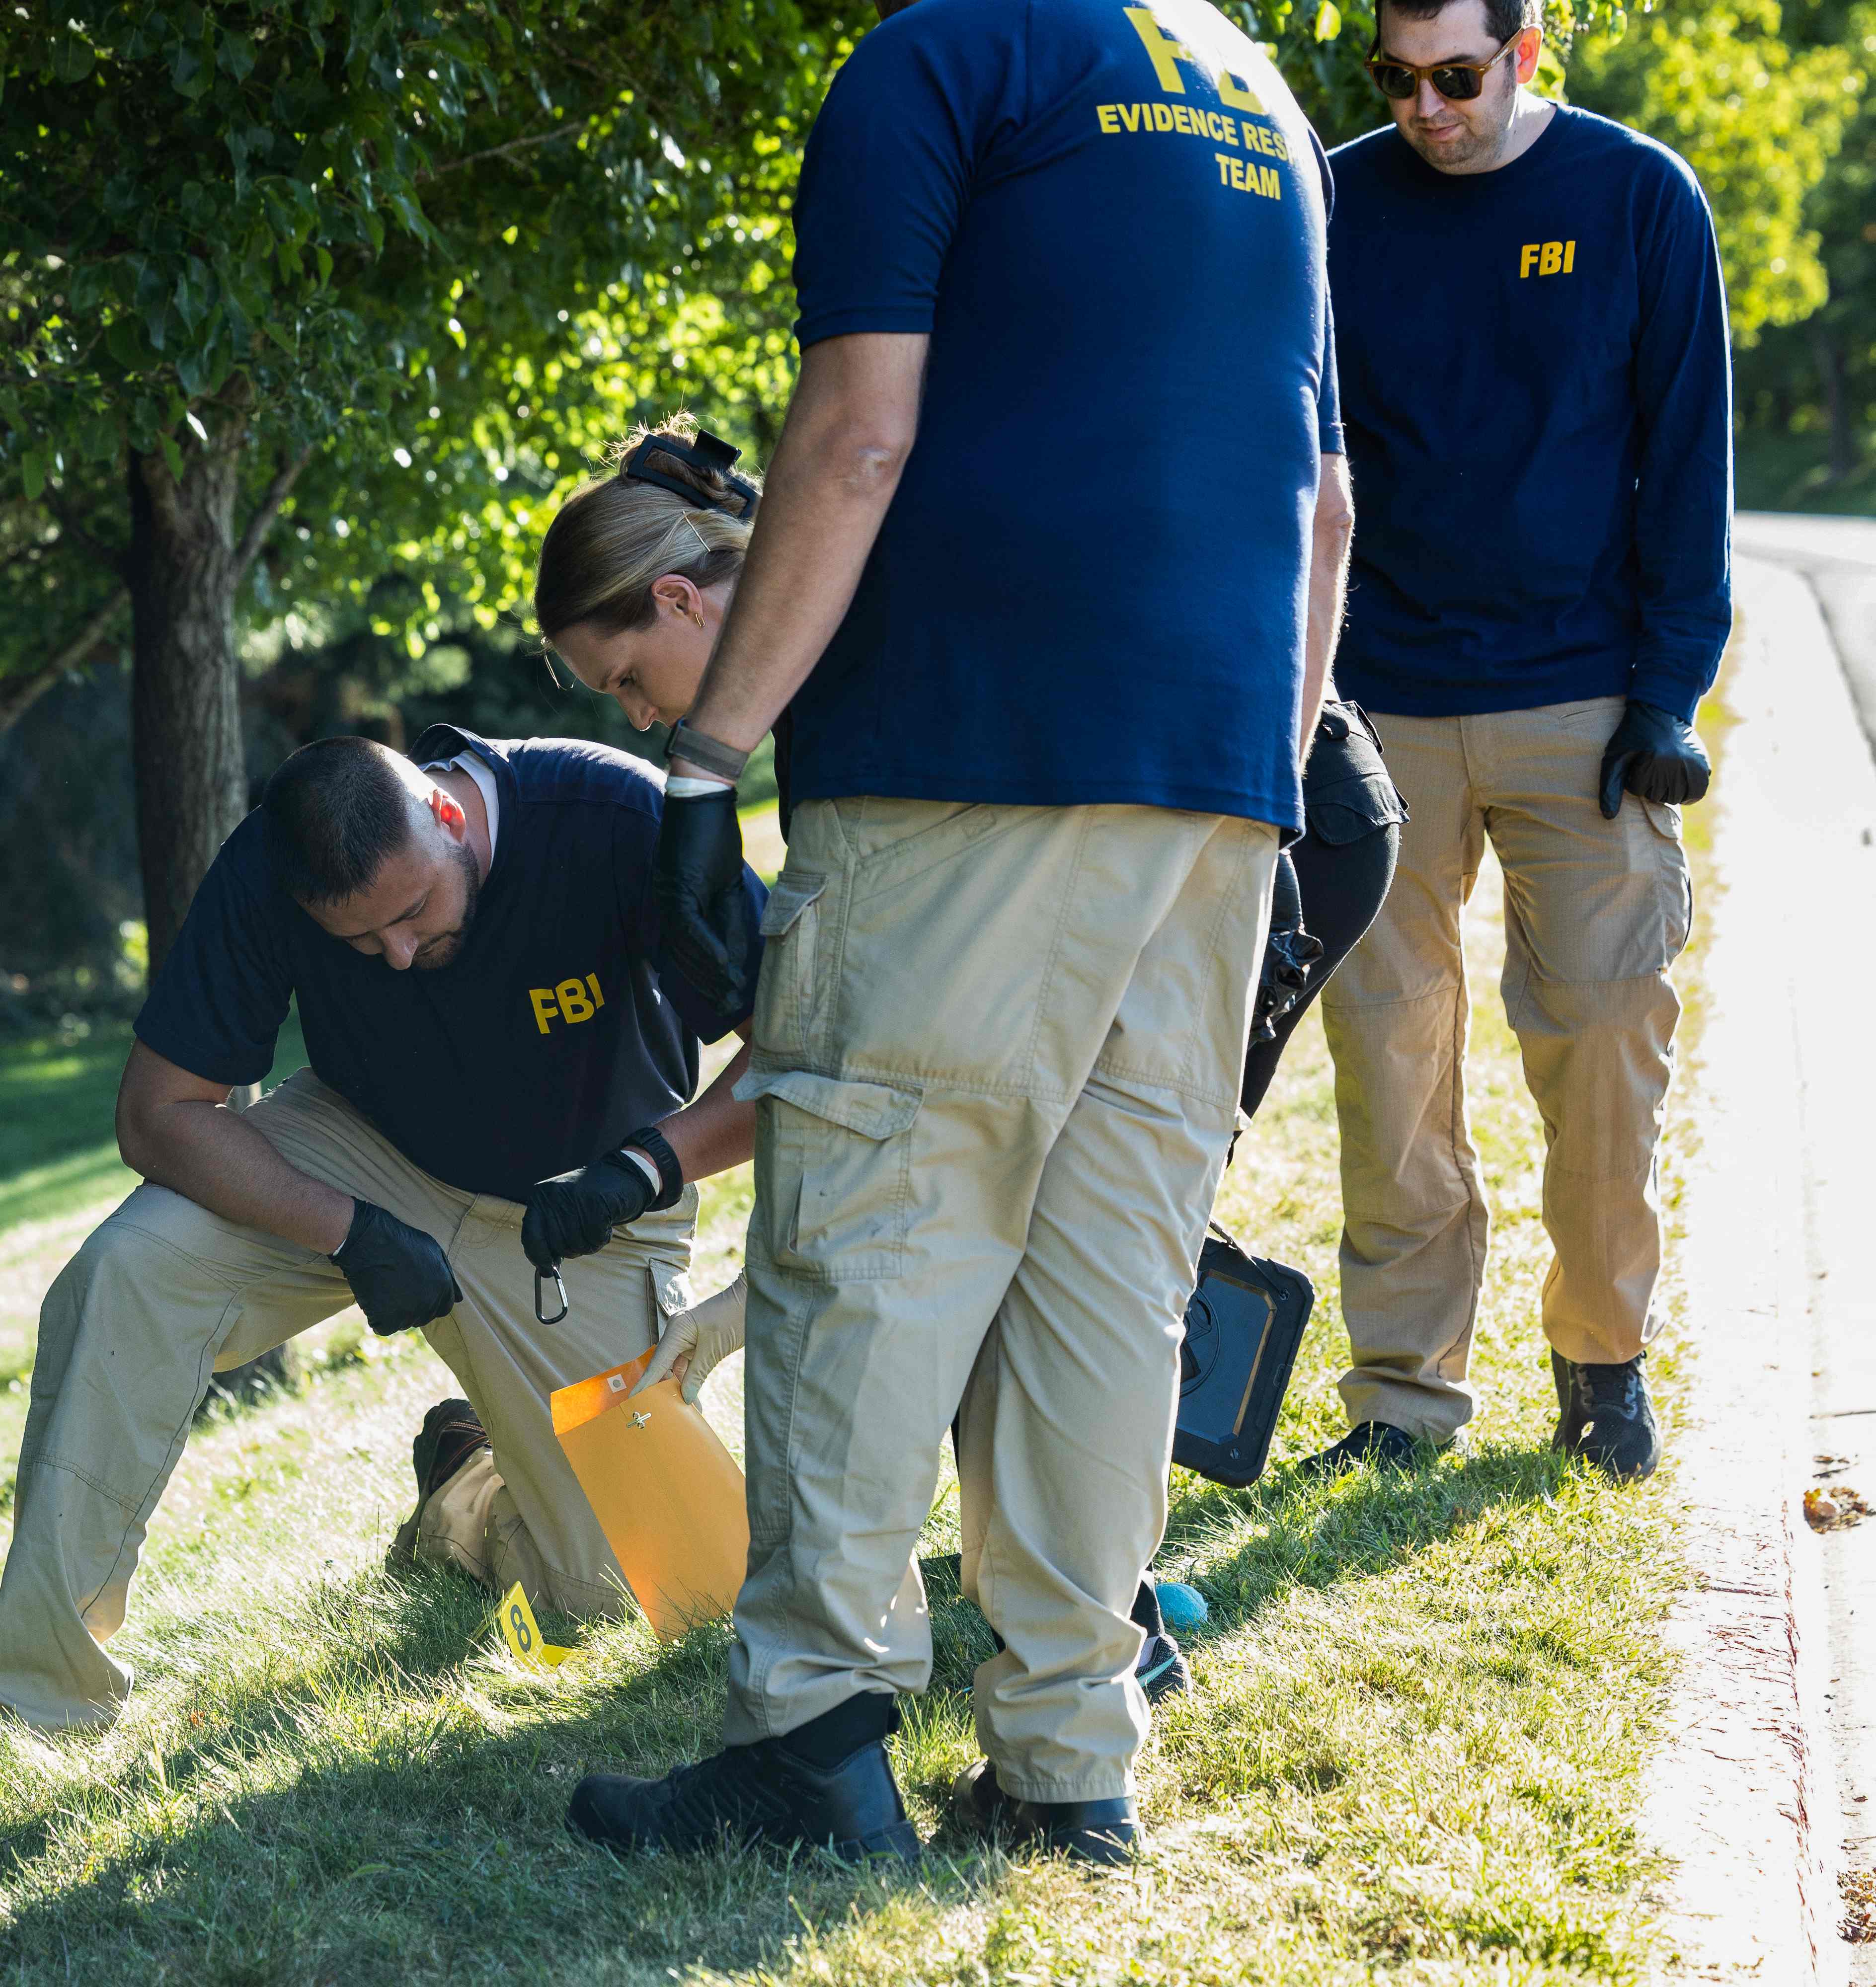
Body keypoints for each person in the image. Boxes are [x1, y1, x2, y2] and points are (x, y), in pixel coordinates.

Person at [568, 0, 1350, 1869]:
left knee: (873, 1235)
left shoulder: (942, 60)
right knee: (1107, 1280)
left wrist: (707, 759)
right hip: (1222, 779)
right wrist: (1274, 784)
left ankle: (814, 1743)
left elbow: (852, 440)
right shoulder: (1259, 91)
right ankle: (1073, 1760)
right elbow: (1323, 506)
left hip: (966, 759)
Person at [538, 427, 1402, 1703]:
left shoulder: (858, 620)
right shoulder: (807, 650)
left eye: (626, 678)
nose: (645, 716)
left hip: (1271, 814)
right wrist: (657, 1166)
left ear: (680, 597)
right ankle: (1086, 1611)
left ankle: (1106, 1614)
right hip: (1160, 797)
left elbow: (892, 1030)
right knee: (1020, 1192)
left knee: (1076, 1216)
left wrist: (676, 1187)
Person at [0, 729, 766, 1734]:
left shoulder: (617, 816)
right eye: (359, 940)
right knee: (126, 1270)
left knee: (658, 1597)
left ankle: (469, 1490)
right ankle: (37, 1701)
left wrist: (645, 1167)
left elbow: (797, 1049)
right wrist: (347, 1229)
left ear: (450, 815)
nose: (394, 952)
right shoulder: (270, 861)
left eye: (413, 911)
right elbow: (157, 1111)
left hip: (584, 1204)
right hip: (360, 1151)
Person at [1308, 0, 1725, 1483]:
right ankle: (1404, 1390)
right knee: (1391, 1050)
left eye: (1459, 77)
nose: (1429, 107)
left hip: (1584, 700)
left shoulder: (1635, 198)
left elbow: (1686, 459)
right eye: (1401, 79)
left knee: (1608, 1036)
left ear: (1528, 52)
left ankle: (1602, 1360)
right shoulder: (1337, 197)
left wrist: (1669, 698)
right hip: (1383, 700)